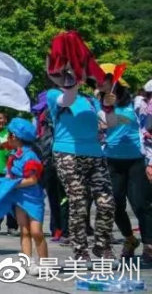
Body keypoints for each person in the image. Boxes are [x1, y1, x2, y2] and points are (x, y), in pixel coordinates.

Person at [46, 76, 116, 261]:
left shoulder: (91, 100)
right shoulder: (54, 94)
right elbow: (67, 98)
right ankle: (80, 251)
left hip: (95, 154)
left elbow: (110, 122)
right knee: (78, 203)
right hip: (67, 153)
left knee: (107, 203)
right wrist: (70, 80)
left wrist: (108, 105)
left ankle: (102, 246)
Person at [99, 72, 152, 261]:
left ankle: (148, 244)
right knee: (114, 205)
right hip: (112, 161)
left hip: (136, 160)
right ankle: (130, 239)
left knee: (140, 204)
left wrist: (151, 162)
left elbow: (147, 128)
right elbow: (100, 127)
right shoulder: (100, 106)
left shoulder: (136, 104)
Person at [0, 118, 47, 276]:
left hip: (33, 197)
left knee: (36, 232)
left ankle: (46, 263)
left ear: (16, 137)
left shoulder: (30, 156)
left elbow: (32, 180)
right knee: (24, 230)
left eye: (9, 135)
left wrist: (11, 184)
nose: (7, 138)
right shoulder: (14, 155)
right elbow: (10, 173)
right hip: (19, 198)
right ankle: (27, 262)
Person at [32, 91, 68, 242]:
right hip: (55, 159)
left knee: (57, 196)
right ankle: (61, 228)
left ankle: (59, 228)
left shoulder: (43, 117)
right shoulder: (41, 117)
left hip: (49, 159)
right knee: (62, 196)